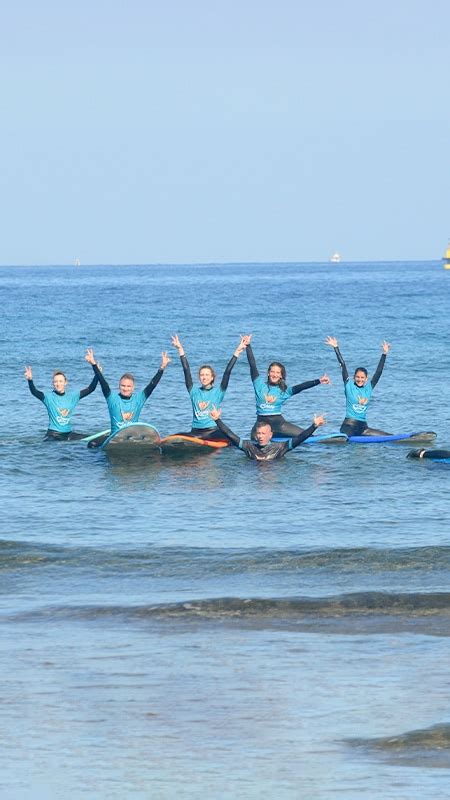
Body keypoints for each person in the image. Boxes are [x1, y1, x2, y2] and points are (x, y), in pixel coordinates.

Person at [245, 337, 331, 438]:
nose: (274, 374)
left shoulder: (284, 390)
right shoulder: (259, 384)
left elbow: (300, 387)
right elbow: (252, 365)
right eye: (272, 371)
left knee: (307, 437)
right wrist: (248, 346)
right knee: (253, 441)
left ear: (281, 375)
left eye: (278, 372)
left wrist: (319, 381)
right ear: (268, 373)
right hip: (260, 425)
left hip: (279, 425)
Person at [85, 347, 170, 446]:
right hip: (115, 439)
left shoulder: (139, 399)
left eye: (128, 386)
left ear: (133, 387)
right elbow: (103, 383)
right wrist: (94, 364)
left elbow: (152, 385)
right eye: (123, 385)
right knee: (91, 444)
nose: (125, 388)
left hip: (132, 438)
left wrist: (162, 367)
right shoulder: (112, 398)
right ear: (119, 386)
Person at [170, 334, 249, 440]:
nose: (204, 377)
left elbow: (227, 372)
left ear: (212, 377)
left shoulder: (219, 391)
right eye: (202, 375)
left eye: (207, 375)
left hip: (212, 432)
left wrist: (237, 352)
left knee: (228, 438)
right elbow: (186, 370)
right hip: (195, 431)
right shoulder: (193, 391)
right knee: (174, 437)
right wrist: (180, 349)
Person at [324, 336, 391, 436]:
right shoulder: (348, 385)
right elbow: (343, 364)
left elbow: (379, 372)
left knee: (389, 436)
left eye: (362, 377)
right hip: (349, 426)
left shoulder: (369, 388)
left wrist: (384, 354)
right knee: (347, 442)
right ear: (354, 377)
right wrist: (336, 347)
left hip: (363, 428)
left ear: (366, 379)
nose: (360, 379)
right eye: (357, 377)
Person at [210, 407, 326, 461]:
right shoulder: (249, 447)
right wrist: (217, 420)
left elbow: (301, 438)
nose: (260, 436)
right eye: (258, 433)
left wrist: (314, 426)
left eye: (263, 433)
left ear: (270, 435)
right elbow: (230, 435)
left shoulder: (280, 447)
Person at [24, 363, 99, 441]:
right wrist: (30, 380)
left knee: (93, 439)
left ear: (65, 382)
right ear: (53, 383)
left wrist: (97, 374)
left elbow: (91, 388)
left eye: (60, 381)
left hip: (68, 434)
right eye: (55, 382)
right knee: (51, 444)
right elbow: (34, 392)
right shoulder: (48, 397)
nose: (58, 384)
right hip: (53, 434)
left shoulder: (73, 396)